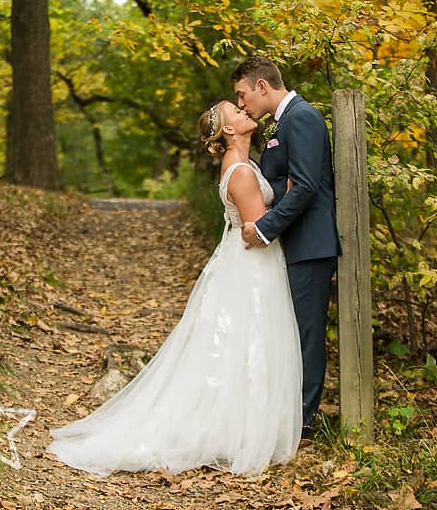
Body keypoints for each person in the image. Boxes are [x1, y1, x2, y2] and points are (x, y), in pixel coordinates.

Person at [48, 100, 302, 477]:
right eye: (236, 109)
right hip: (251, 266)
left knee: (239, 346)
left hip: (241, 263)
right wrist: (294, 193)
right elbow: (258, 233)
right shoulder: (242, 174)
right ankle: (240, 433)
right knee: (248, 342)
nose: (245, 109)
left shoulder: (245, 165)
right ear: (229, 130)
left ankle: (236, 428)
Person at [233, 55, 341, 438]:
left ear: (262, 85)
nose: (242, 104)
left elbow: (308, 185)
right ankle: (289, 418)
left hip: (310, 246)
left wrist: (264, 228)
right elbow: (288, 185)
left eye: (243, 94)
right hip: (293, 245)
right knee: (290, 335)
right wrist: (282, 191)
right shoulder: (284, 122)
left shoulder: (303, 117)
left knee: (307, 338)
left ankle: (304, 425)